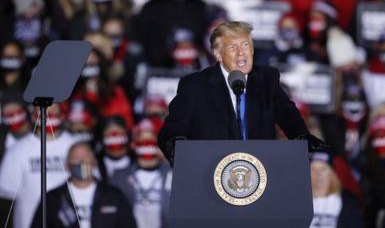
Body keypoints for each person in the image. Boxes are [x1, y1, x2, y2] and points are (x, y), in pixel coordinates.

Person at [157, 21, 326, 164]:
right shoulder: (195, 86)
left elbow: (288, 115)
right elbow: (172, 130)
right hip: (209, 176)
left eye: (246, 45)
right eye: (232, 48)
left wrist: (301, 137)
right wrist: (178, 148)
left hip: (259, 176)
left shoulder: (266, 80)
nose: (241, 54)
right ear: (218, 54)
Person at [0, 103, 79, 228]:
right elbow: (6, 191)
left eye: (53, 110)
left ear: (62, 115)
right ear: (33, 116)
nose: (48, 114)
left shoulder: (76, 147)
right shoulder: (18, 149)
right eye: (43, 110)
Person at [31, 142, 137, 228]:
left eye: (86, 157)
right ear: (67, 165)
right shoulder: (52, 199)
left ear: (95, 162)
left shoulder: (114, 196)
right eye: (76, 158)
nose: (81, 161)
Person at [111, 118, 171, 228]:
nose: (147, 148)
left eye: (151, 143)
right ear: (133, 145)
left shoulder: (174, 175)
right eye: (142, 143)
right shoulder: (119, 177)